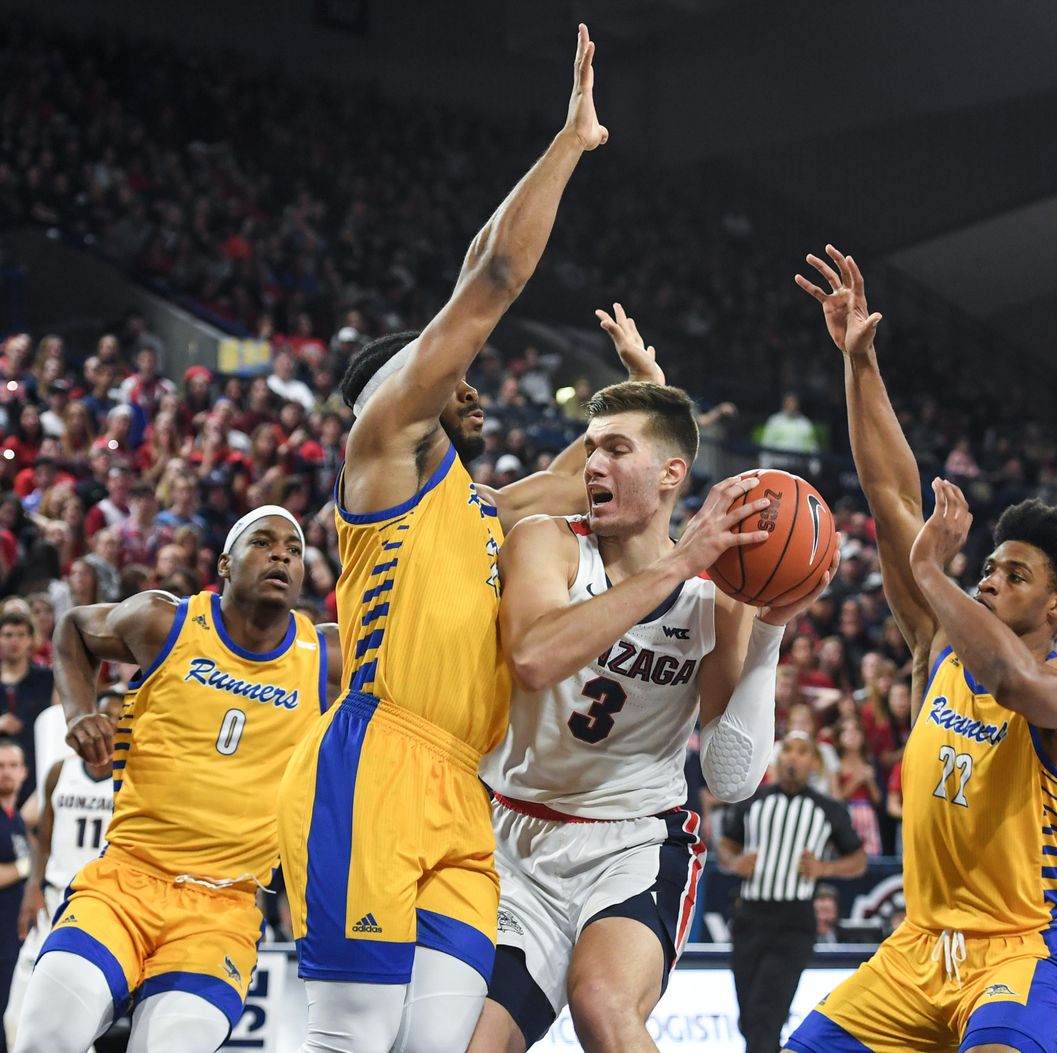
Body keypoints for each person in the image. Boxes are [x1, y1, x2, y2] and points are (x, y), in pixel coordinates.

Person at [276, 27, 618, 1053]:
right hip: (375, 763)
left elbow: (602, 475)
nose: (474, 384)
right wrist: (569, 142)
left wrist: (642, 393)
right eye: (449, 377)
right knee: (354, 1038)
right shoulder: (385, 451)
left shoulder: (485, 507)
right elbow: (494, 276)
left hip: (462, 794)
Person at [470, 339, 838, 1053]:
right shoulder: (546, 541)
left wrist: (769, 631)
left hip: (634, 839)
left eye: (614, 449)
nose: (593, 465)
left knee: (603, 1007)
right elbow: (536, 658)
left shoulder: (716, 597)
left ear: (672, 473)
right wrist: (678, 562)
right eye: (591, 450)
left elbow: (732, 779)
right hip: (514, 836)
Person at [785, 246, 1057, 1053]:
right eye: (990, 566)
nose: (992, 578)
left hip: (1018, 946)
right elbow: (891, 494)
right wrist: (860, 362)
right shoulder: (937, 644)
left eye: (1016, 573)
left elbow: (1009, 672)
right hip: (915, 946)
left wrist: (931, 566)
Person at [14, 506, 340, 1053]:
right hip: (126, 881)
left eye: (294, 546)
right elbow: (73, 630)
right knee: (45, 1037)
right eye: (262, 541)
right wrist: (78, 713)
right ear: (224, 565)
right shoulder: (164, 620)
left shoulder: (327, 655)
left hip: (223, 909)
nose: (282, 552)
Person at [721, 732, 865, 1053]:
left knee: (765, 1014)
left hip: (794, 920)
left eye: (803, 752)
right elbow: (726, 846)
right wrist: (735, 862)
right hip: (749, 918)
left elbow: (858, 860)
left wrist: (825, 869)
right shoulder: (753, 802)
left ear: (813, 762)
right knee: (749, 1019)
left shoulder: (828, 809)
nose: (794, 758)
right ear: (778, 758)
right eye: (788, 750)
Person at [4, 692, 121, 1049]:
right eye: (106, 715)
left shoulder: (132, 780)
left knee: (77, 1017)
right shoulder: (61, 769)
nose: (111, 724)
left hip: (98, 904)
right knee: (16, 1014)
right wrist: (32, 888)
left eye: (120, 717)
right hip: (53, 895)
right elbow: (43, 837)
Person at [0, 613, 54, 805]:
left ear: (31, 639)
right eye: (8, 635)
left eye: (21, 635)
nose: (14, 641)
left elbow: (56, 725)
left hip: (35, 774)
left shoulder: (49, 679)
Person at [0, 741, 30, 1053]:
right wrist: (25, 867)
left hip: (13, 938)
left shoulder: (16, 818)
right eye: (0, 766)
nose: (6, 773)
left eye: (12, 766)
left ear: (24, 773)